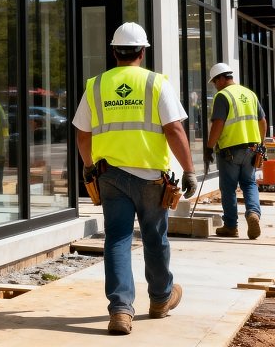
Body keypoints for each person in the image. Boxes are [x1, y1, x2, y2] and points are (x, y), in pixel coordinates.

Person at [73, 22, 197, 336]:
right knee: (155, 239)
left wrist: (89, 166)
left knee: (117, 239)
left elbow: (83, 133)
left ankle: (120, 310)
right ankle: (160, 299)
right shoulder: (156, 83)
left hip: (111, 176)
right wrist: (190, 170)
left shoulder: (97, 85)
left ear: (114, 51)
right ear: (142, 52)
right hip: (151, 177)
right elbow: (174, 130)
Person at [205, 62, 267, 239]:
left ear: (222, 79)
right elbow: (263, 121)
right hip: (252, 148)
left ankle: (231, 226)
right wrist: (261, 144)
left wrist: (209, 147)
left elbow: (218, 123)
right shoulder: (250, 94)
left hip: (230, 151)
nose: (215, 87)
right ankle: (253, 213)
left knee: (229, 188)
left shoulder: (223, 96)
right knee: (249, 183)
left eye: (215, 82)